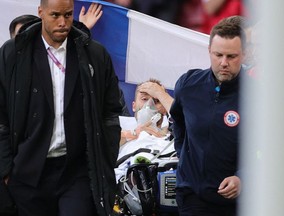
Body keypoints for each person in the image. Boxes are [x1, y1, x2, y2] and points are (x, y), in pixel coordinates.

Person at [0, 0, 123, 216]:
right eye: (55, 15)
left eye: (68, 15)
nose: (62, 22)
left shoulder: (94, 53)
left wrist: (105, 159)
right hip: (27, 172)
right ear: (40, 12)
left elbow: (111, 112)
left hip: (77, 170)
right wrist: (7, 169)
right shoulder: (13, 54)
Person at [170, 17, 247, 216]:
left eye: (231, 56)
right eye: (218, 54)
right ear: (209, 52)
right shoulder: (188, 85)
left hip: (238, 201)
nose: (223, 63)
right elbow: (177, 119)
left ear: (244, 55)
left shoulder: (259, 98)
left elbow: (271, 149)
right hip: (193, 195)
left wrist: (243, 178)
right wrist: (182, 152)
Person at [119, 78, 170, 146]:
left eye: (156, 101)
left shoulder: (173, 136)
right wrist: (134, 133)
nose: (149, 104)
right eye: (144, 99)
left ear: (165, 108)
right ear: (134, 106)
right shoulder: (120, 128)